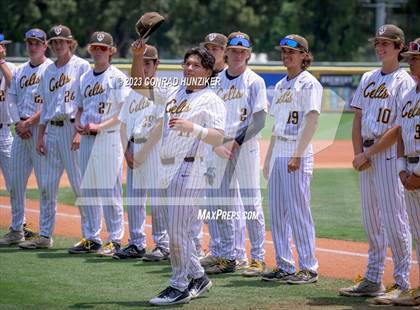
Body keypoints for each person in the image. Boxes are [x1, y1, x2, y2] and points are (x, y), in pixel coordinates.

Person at [339, 25, 414, 304]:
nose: (380, 48)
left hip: (388, 154)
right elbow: (357, 119)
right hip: (367, 153)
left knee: (395, 220)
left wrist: (369, 155)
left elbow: (398, 126)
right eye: (378, 43)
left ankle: (402, 282)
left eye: (386, 43)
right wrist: (359, 153)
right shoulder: (368, 77)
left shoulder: (404, 81)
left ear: (398, 48)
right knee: (372, 221)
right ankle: (373, 279)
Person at [149, 47, 225, 306]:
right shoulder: (176, 91)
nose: (189, 68)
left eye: (195, 65)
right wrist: (138, 56)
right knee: (178, 230)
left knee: (178, 231)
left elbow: (217, 136)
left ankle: (178, 285)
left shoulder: (211, 99)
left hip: (192, 168)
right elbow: (142, 84)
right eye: (186, 64)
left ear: (207, 71)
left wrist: (193, 127)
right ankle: (198, 277)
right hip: (170, 167)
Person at [19, 25, 90, 249]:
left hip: (72, 129)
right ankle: (45, 236)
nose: (59, 45)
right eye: (55, 42)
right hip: (51, 130)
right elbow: (46, 106)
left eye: (62, 41)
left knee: (80, 186)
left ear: (71, 43)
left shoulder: (81, 66)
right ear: (50, 45)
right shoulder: (49, 71)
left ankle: (90, 237)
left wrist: (79, 131)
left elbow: (85, 103)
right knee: (47, 186)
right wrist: (40, 136)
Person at [205, 31, 267, 277]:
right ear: (227, 52)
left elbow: (260, 120)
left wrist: (236, 142)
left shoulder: (255, 81)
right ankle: (228, 256)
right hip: (219, 146)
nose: (239, 55)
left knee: (251, 202)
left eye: (243, 51)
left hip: (246, 146)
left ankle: (258, 258)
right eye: (234, 50)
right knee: (222, 203)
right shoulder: (216, 81)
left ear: (248, 54)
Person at [261, 34, 320, 284]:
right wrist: (269, 158)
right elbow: (276, 125)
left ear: (304, 55)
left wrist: (297, 155)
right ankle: (284, 264)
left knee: (298, 212)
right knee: (277, 213)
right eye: (284, 52)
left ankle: (308, 267)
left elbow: (313, 120)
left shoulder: (308, 83)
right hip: (279, 153)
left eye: (292, 52)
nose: (286, 56)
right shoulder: (283, 84)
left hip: (298, 152)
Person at [66, 31, 128, 256]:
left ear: (111, 51)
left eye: (103, 48)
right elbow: (80, 106)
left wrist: (101, 127)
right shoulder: (84, 77)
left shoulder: (117, 77)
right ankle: (92, 237)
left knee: (110, 189)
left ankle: (115, 239)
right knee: (88, 189)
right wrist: (79, 124)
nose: (98, 51)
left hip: (109, 138)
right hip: (88, 138)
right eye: (95, 47)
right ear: (90, 49)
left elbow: (123, 113)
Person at [114, 43, 170, 261]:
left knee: (157, 199)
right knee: (135, 198)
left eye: (148, 63)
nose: (144, 67)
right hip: (134, 146)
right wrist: (127, 150)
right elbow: (124, 124)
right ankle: (136, 242)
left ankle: (162, 244)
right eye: (140, 62)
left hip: (154, 148)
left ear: (156, 64)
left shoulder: (163, 89)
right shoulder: (132, 93)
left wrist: (144, 151)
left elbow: (160, 124)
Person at [0, 29, 52, 246]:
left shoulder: (51, 69)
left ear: (45, 45)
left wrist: (29, 123)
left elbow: (51, 102)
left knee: (45, 185)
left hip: (41, 131)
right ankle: (16, 229)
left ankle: (45, 235)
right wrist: (18, 123)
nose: (33, 47)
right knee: (16, 183)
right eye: (30, 43)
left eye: (37, 43)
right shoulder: (21, 70)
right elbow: (12, 98)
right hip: (20, 130)